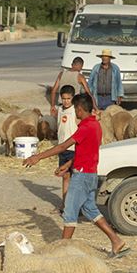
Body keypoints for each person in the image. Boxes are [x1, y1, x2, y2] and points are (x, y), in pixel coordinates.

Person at [23, 94, 129, 257]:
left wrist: (38, 156)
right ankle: (116, 241)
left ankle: (61, 251)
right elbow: (87, 150)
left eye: (75, 109)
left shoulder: (85, 127)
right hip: (90, 173)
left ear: (79, 109)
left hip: (81, 176)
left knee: (70, 213)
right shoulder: (95, 125)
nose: (75, 112)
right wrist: (68, 165)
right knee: (91, 209)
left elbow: (63, 146)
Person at [54, 85, 78, 213]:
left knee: (76, 178)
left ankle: (75, 207)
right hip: (62, 147)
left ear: (73, 98)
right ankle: (64, 205)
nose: (66, 101)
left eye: (68, 99)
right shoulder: (60, 110)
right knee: (65, 177)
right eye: (64, 98)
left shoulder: (76, 111)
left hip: (73, 148)